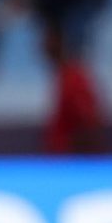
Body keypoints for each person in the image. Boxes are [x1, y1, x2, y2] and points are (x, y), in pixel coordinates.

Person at [41, 23, 103, 154]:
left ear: (58, 42)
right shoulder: (62, 75)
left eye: (47, 40)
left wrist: (80, 163)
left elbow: (88, 122)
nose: (42, 46)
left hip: (71, 164)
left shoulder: (74, 77)